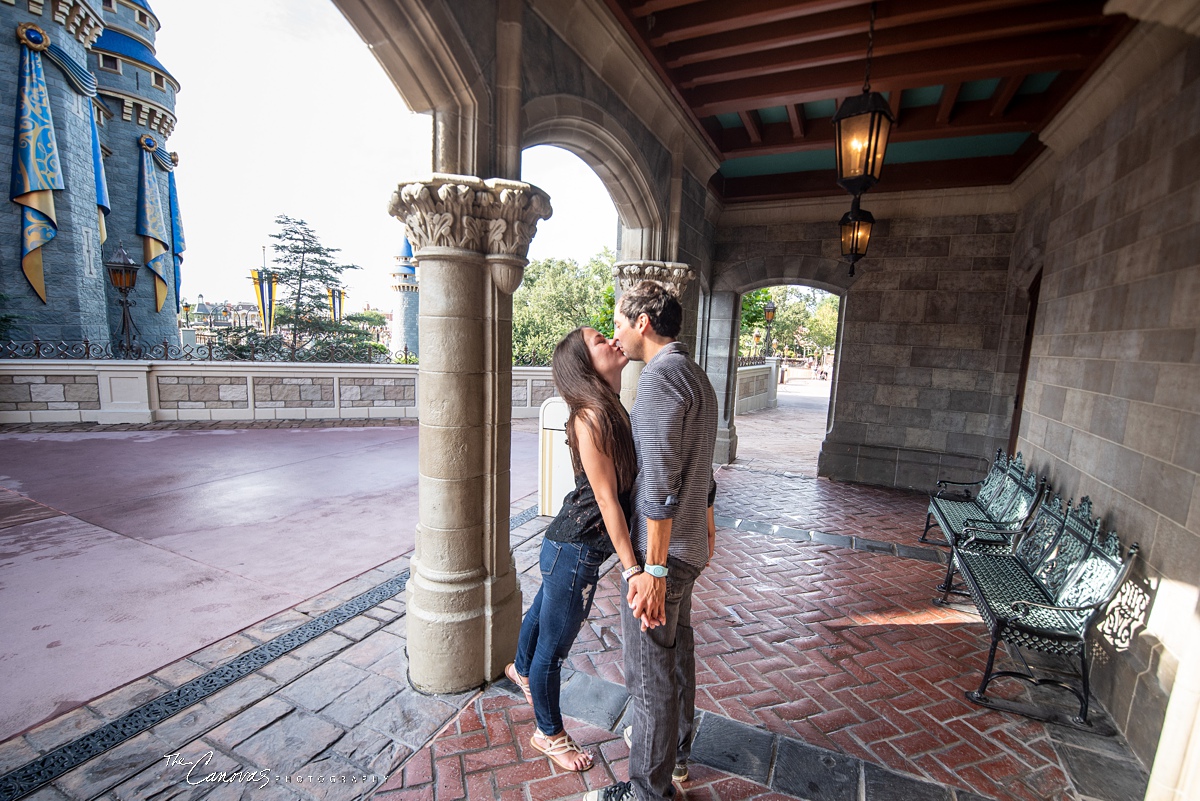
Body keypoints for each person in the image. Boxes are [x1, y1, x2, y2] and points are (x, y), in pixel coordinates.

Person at [585, 281, 718, 801]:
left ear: (643, 322)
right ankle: (677, 759)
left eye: (619, 322)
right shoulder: (695, 375)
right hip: (688, 550)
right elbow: (700, 472)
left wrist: (653, 571)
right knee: (676, 654)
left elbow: (659, 485)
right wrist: (706, 525)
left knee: (649, 677)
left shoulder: (662, 379)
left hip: (663, 557)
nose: (617, 333)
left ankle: (648, 791)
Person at [507, 326, 642, 772]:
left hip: (567, 548)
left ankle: (520, 669)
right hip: (575, 552)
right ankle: (549, 734)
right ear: (584, 364)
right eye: (600, 340)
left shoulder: (608, 408)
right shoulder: (590, 417)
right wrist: (632, 569)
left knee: (540, 622)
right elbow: (607, 501)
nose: (612, 341)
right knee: (554, 650)